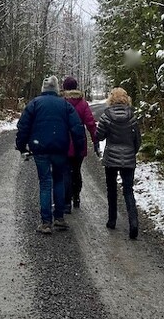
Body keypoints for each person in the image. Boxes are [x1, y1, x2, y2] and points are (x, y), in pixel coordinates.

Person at [16, 74, 85, 234]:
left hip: (40, 149)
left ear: (43, 89)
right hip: (60, 148)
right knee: (59, 181)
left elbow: (23, 126)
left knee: (45, 183)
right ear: (56, 89)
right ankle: (59, 218)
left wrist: (21, 146)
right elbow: (77, 128)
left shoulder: (34, 104)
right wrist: (79, 148)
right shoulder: (65, 105)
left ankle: (46, 222)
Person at [97, 87, 142, 239]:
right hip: (128, 157)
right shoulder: (132, 116)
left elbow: (100, 136)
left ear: (111, 99)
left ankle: (112, 220)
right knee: (128, 190)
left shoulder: (106, 116)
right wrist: (132, 152)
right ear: (126, 99)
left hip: (111, 158)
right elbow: (138, 140)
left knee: (111, 190)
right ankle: (133, 222)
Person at [61, 76, 99, 212]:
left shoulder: (61, 102)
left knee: (65, 171)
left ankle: (66, 201)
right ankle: (76, 197)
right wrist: (95, 141)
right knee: (76, 171)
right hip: (79, 143)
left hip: (63, 142)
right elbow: (90, 123)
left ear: (64, 88)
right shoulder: (83, 104)